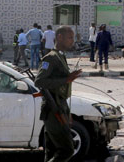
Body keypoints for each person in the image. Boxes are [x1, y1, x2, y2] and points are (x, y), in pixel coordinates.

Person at [35, 26, 83, 162]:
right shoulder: (51, 58)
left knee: (51, 151)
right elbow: (39, 81)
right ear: (60, 37)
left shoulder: (60, 56)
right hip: (52, 107)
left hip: (60, 105)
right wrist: (67, 79)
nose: (72, 41)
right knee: (67, 150)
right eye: (70, 38)